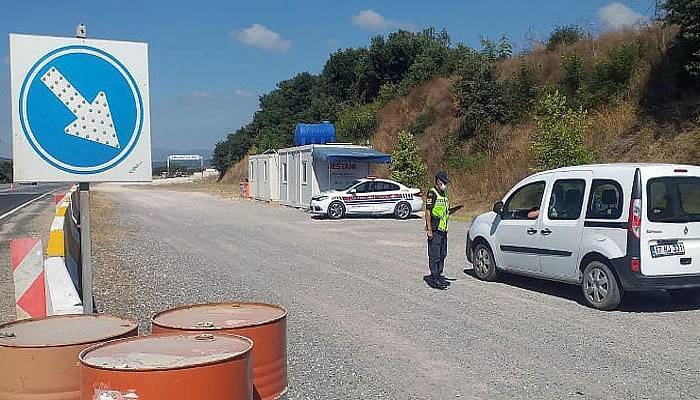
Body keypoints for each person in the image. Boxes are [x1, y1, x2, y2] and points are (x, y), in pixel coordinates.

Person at [425, 171, 452, 288]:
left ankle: (439, 274)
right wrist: (429, 229)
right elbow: (428, 211)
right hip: (435, 229)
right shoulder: (432, 193)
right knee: (434, 254)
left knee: (442, 254)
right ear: (438, 181)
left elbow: (445, 211)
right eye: (444, 182)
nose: (445, 184)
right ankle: (434, 277)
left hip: (443, 229)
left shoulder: (444, 194)